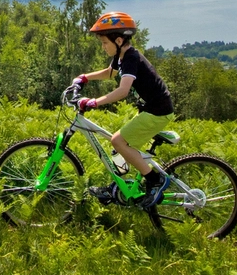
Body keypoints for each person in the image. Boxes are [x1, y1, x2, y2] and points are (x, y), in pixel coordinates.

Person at [71, 11, 175, 207]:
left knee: (117, 141)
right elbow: (110, 73)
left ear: (118, 40)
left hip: (157, 112)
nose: (102, 47)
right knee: (119, 149)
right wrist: (85, 77)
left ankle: (155, 180)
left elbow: (123, 90)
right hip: (151, 109)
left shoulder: (131, 58)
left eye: (104, 43)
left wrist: (94, 102)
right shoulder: (122, 56)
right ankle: (118, 187)